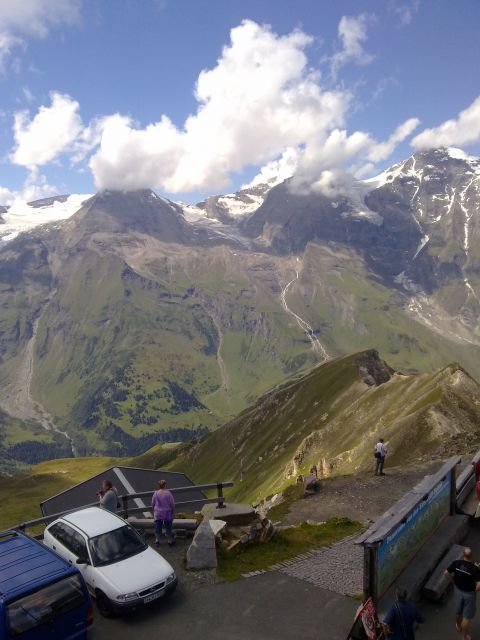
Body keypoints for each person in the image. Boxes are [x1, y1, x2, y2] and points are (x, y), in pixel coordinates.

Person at [444, 547, 480, 640]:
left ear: (463, 555)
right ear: (472, 556)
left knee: (458, 611)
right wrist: (475, 590)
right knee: (467, 617)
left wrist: (453, 581)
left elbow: (446, 573)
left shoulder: (456, 563)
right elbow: (479, 584)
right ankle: (464, 636)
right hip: (469, 594)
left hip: (458, 591)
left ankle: (458, 626)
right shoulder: (474, 568)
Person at [151, 479, 175, 546]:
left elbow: (152, 503)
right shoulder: (168, 493)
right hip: (167, 513)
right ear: (165, 485)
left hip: (158, 513)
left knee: (158, 527)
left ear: (159, 486)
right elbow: (172, 503)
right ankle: (169, 541)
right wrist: (173, 511)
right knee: (168, 527)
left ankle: (157, 540)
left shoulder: (155, 493)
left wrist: (154, 510)